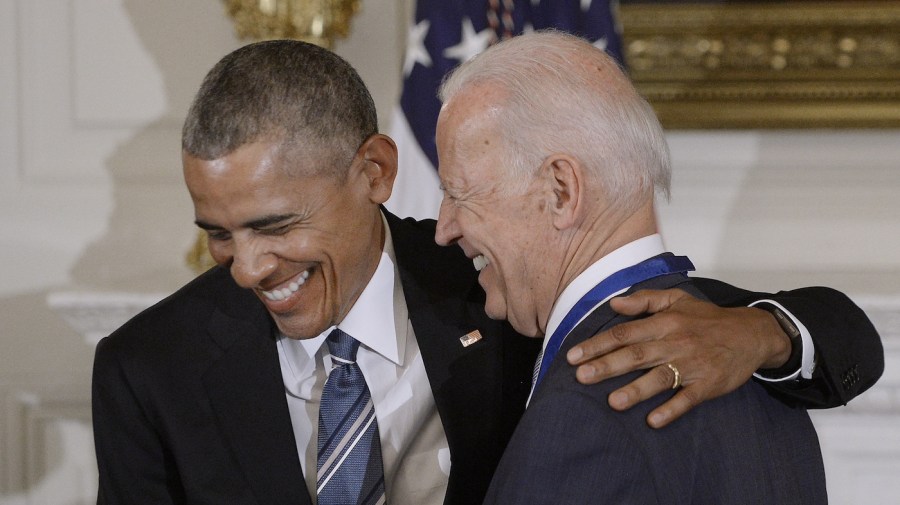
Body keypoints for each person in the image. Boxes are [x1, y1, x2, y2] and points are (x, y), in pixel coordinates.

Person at [91, 39, 881, 505]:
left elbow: (838, 337)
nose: (248, 268)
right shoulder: (147, 368)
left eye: (275, 225)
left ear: (374, 171)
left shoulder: (499, 282)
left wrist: (764, 330)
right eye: (219, 234)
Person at [433, 30, 844, 503]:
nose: (444, 229)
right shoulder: (764, 375)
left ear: (561, 190)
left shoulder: (585, 408)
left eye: (459, 193)